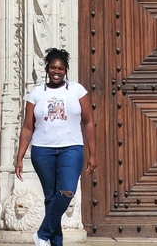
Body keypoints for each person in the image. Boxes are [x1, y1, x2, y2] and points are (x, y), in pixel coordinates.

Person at [15, 49, 96, 246]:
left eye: (60, 68)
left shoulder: (77, 90)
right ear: (47, 69)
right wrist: (19, 157)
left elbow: (89, 122)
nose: (56, 71)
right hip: (43, 151)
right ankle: (54, 243)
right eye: (53, 67)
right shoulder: (36, 93)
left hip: (72, 149)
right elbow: (27, 127)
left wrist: (93, 154)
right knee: (51, 199)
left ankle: (42, 234)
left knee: (67, 191)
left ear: (66, 70)